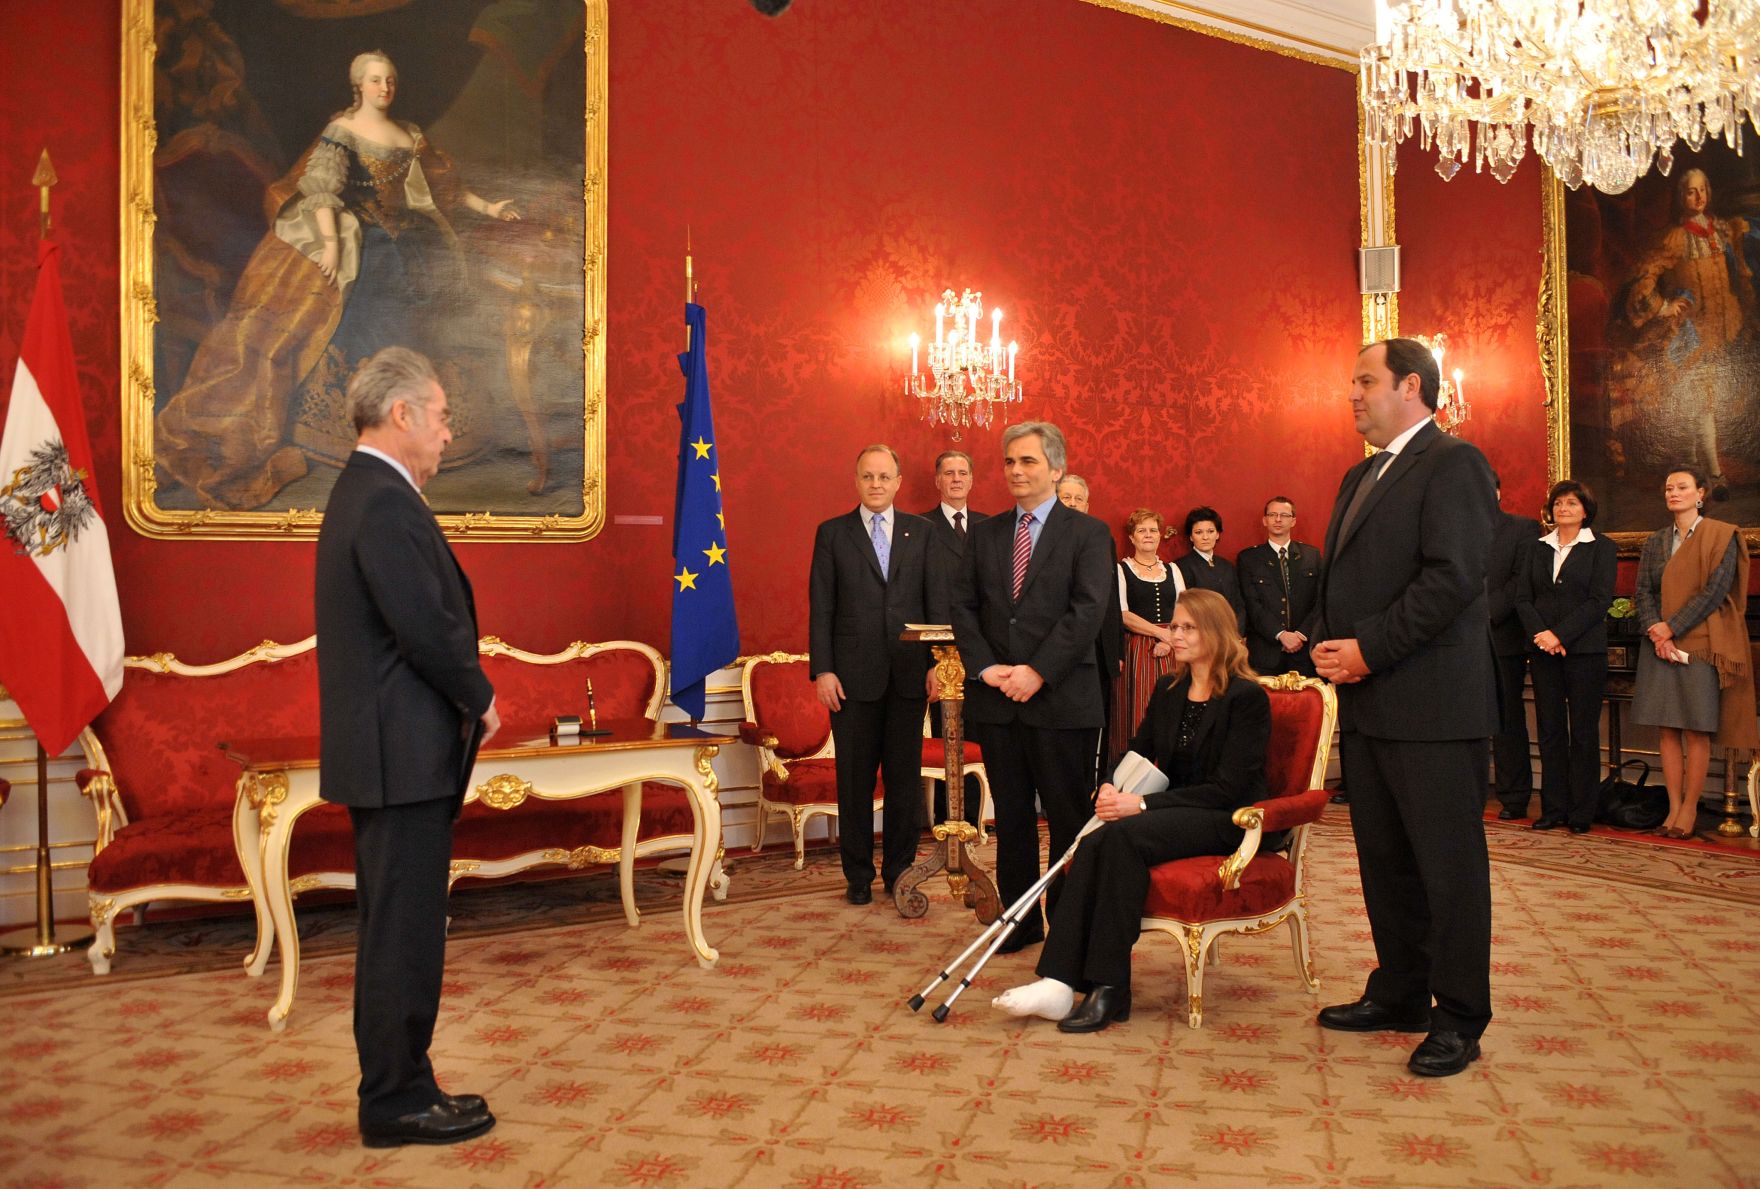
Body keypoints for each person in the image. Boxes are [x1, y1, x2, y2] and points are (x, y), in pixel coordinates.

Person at [156, 50, 521, 511]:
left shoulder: (409, 134)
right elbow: (321, 191)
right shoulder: (342, 131)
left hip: (410, 237)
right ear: (359, 87)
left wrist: (489, 208)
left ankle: (408, 409)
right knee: (369, 292)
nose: (384, 87)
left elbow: (445, 187)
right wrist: (330, 243)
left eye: (389, 79)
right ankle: (358, 418)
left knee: (427, 299)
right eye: (374, 80)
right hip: (360, 237)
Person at [314, 346, 498, 1147]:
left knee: (399, 924)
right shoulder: (384, 501)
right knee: (403, 930)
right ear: (403, 414)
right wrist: (480, 696)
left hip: (393, 751)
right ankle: (395, 1098)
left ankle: (403, 1082)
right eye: (443, 414)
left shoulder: (369, 491)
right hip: (401, 751)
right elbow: (423, 623)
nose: (448, 433)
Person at [1311, 337, 1498, 1079]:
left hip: (1433, 706)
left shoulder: (1455, 464)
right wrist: (1329, 642)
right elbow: (1346, 580)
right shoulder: (1360, 473)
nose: (1350, 393)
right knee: (1385, 862)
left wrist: (1368, 648)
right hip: (1370, 703)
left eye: (1364, 379)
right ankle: (1399, 991)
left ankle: (1458, 1014)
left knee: (1446, 868)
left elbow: (1450, 579)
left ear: (1411, 386)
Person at [992, 589, 1269, 1032]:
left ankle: (1107, 989)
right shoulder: (1170, 687)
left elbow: (1228, 788)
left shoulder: (1246, 698)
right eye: (1174, 626)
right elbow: (1139, 749)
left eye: (1187, 627)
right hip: (1173, 811)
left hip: (1226, 817)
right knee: (1098, 839)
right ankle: (1062, 981)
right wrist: (1110, 785)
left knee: (1120, 835)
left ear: (1216, 633)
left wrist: (1139, 803)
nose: (1174, 634)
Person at [951, 421, 1113, 953]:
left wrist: (1037, 671)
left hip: (1062, 700)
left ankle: (1067, 926)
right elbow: (964, 608)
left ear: (1057, 468)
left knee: (1068, 819)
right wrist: (985, 668)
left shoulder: (1088, 533)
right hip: (998, 699)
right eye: (1010, 463)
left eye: (1029, 462)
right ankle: (1019, 924)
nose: (1017, 472)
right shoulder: (987, 532)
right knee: (1012, 820)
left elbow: (1087, 611)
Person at [809, 445, 938, 903]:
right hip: (851, 680)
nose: (877, 484)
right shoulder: (833, 534)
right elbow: (821, 609)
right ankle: (858, 875)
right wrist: (823, 671)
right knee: (855, 782)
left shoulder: (921, 533)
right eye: (868, 476)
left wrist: (938, 665)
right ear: (856, 480)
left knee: (904, 782)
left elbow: (935, 604)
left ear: (898, 481)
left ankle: (900, 870)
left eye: (885, 477)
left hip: (909, 677)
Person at [1630, 466, 1757, 838]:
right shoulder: (1655, 541)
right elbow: (1643, 593)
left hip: (1701, 642)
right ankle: (1672, 806)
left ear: (1701, 493)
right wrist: (1658, 632)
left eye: (1682, 487)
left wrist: (1672, 628)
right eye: (1669, 487)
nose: (1673, 493)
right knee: (1667, 728)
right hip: (1659, 644)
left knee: (1696, 729)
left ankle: (1689, 809)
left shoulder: (1721, 536)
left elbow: (1714, 593)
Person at [1623, 169, 1755, 501]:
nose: (1697, 198)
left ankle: (1697, 470)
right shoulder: (1675, 238)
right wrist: (1663, 306)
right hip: (1691, 336)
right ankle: (1714, 476)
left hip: (1727, 331)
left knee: (1709, 402)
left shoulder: (1723, 232)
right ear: (1680, 198)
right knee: (1705, 404)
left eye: (1702, 191)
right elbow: (1645, 276)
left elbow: (1741, 273)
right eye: (1690, 192)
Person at [1516, 480, 1618, 834]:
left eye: (1571, 503)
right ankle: (1553, 808)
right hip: (1543, 652)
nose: (1563, 509)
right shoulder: (1536, 548)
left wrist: (1561, 634)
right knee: (1550, 730)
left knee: (1584, 733)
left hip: (1585, 652)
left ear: (1585, 510)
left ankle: (1581, 812)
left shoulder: (1602, 548)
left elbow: (1599, 600)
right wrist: (1544, 637)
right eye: (1558, 503)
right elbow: (1522, 599)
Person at [921, 450, 988, 825]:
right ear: (938, 481)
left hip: (981, 654)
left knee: (978, 737)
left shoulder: (988, 526)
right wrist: (931, 661)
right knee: (948, 736)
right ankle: (948, 820)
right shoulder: (921, 526)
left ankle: (976, 821)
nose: (957, 479)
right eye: (949, 473)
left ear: (972, 480)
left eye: (963, 472)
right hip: (941, 653)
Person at [1058, 471, 1124, 785]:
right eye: (1065, 497)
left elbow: (1109, 600)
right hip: (1055, 649)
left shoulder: (1101, 537)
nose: (1071, 503)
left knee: (1093, 728)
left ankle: (1092, 788)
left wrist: (1115, 652)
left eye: (1078, 499)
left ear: (1087, 505)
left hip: (1096, 650)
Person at [1487, 480, 1542, 819]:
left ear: (1496, 492)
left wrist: (1484, 613)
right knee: (1464, 723)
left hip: (1502, 637)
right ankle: (1469, 794)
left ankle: (1514, 797)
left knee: (1507, 720)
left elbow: (1522, 581)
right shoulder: (1454, 529)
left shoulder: (1522, 528)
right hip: (1457, 643)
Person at [1112, 508, 1185, 761]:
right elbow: (1122, 614)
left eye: (1153, 530)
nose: (1148, 535)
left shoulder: (1173, 570)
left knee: (1173, 710)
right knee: (1138, 713)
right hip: (1137, 650)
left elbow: (1184, 610)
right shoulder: (1121, 569)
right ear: (1131, 537)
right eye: (1141, 530)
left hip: (1174, 649)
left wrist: (1170, 639)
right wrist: (1160, 634)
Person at [1236, 496, 1321, 677]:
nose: (1278, 519)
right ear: (1264, 520)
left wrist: (1300, 634)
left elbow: (1320, 600)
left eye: (1284, 515)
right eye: (1272, 515)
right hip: (1265, 652)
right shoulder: (1249, 558)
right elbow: (1252, 604)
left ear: (1293, 520)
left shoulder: (1312, 556)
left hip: (1305, 651)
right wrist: (1280, 634)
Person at [1174, 506, 1246, 631]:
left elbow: (1238, 603)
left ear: (1218, 534)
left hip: (1232, 635)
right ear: (1191, 537)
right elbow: (1185, 607)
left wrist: (1237, 632)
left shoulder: (1227, 566)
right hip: (1201, 634)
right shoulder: (1180, 566)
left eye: (1210, 531)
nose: (1205, 537)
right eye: (1198, 532)